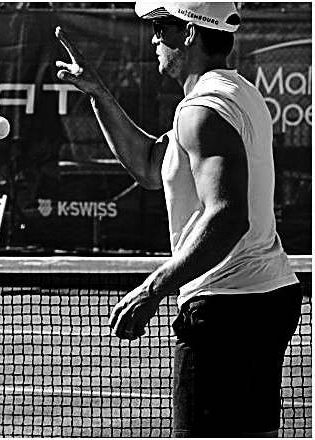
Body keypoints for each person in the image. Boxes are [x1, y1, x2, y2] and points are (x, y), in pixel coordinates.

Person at [55, 2, 301, 437]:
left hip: (228, 309)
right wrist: (98, 93)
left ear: (189, 34)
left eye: (162, 27)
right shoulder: (231, 94)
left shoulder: (204, 109)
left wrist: (152, 290)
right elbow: (151, 166)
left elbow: (228, 217)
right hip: (262, 298)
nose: (154, 38)